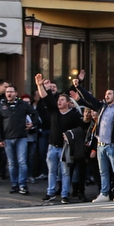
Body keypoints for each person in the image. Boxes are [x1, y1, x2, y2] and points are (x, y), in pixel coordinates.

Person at [74, 74, 114, 203]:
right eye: (106, 94)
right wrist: (78, 87)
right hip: (101, 145)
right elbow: (89, 98)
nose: (107, 96)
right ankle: (104, 193)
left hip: (112, 144)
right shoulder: (101, 107)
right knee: (103, 171)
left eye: (110, 94)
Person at [34, 73, 83, 203]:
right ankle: (50, 193)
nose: (59, 102)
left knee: (65, 172)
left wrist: (70, 135)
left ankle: (64, 194)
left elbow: (80, 130)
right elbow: (45, 97)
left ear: (68, 102)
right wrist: (40, 85)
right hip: (52, 146)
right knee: (51, 171)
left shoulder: (73, 115)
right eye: (58, 100)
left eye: (62, 100)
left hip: (65, 148)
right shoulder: (54, 111)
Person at [0, 83, 38, 195]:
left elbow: (35, 113)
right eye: (7, 91)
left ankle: (22, 185)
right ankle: (14, 185)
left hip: (21, 137)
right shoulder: (1, 107)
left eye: (11, 91)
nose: (9, 93)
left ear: (16, 93)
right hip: (8, 138)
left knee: (22, 162)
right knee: (12, 163)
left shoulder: (23, 105)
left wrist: (32, 124)